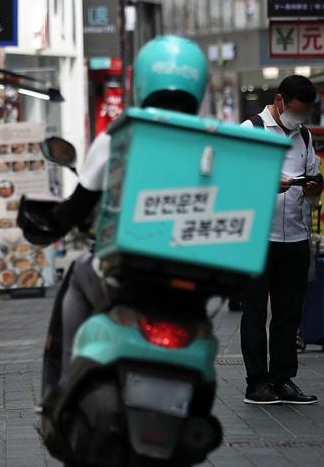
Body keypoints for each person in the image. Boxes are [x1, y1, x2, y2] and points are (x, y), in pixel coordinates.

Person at [20, 35, 209, 395]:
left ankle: (60, 390)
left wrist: (52, 221)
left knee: (77, 273)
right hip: (195, 273)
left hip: (129, 268)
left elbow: (78, 206)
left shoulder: (119, 138)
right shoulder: (217, 143)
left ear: (142, 83)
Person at [238, 76, 324, 405]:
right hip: (258, 238)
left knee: (289, 313)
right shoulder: (251, 130)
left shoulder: (304, 135)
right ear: (279, 101)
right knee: (255, 311)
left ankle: (283, 379)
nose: (300, 118)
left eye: (305, 113)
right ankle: (256, 382)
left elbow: (313, 179)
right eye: (296, 111)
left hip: (296, 235)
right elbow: (234, 181)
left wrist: (314, 189)